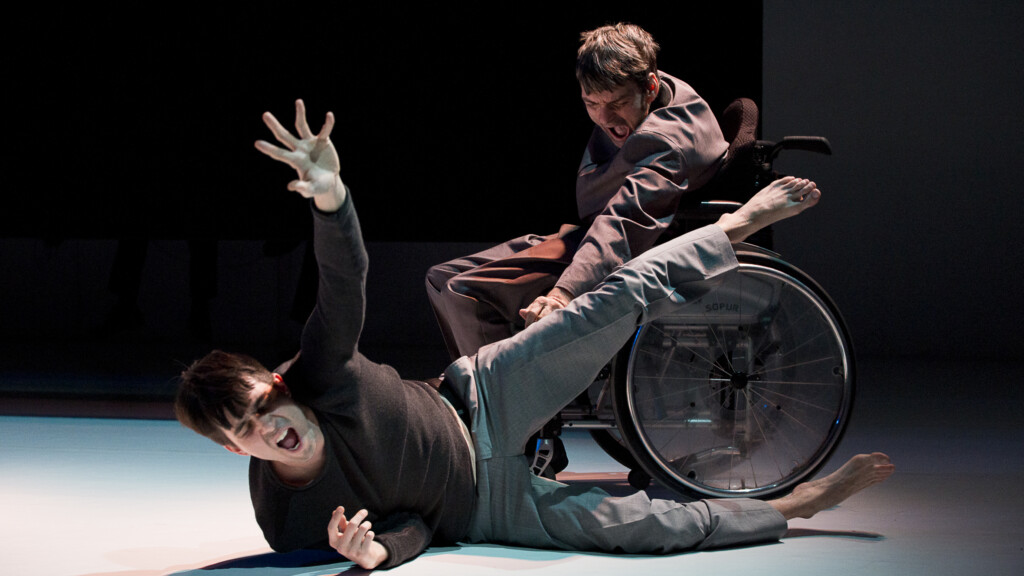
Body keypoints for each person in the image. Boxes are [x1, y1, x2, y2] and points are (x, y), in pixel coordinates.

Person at [175, 100, 895, 571]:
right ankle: (786, 509)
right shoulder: (287, 518)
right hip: (483, 506)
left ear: (275, 378)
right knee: (639, 532)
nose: (271, 423)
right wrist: (375, 555)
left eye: (262, 398)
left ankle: (733, 227)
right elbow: (418, 527)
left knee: (614, 301)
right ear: (234, 448)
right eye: (247, 429)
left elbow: (343, 281)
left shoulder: (321, 373)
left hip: (482, 398)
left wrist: (332, 199)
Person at [426, 23, 732, 361]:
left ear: (649, 87)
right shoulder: (657, 89)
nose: (603, 117)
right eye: (591, 102)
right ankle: (484, 383)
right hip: (586, 233)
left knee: (465, 293)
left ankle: (505, 403)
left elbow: (623, 222)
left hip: (612, 249)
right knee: (441, 278)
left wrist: (563, 293)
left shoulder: (664, 143)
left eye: (616, 103)